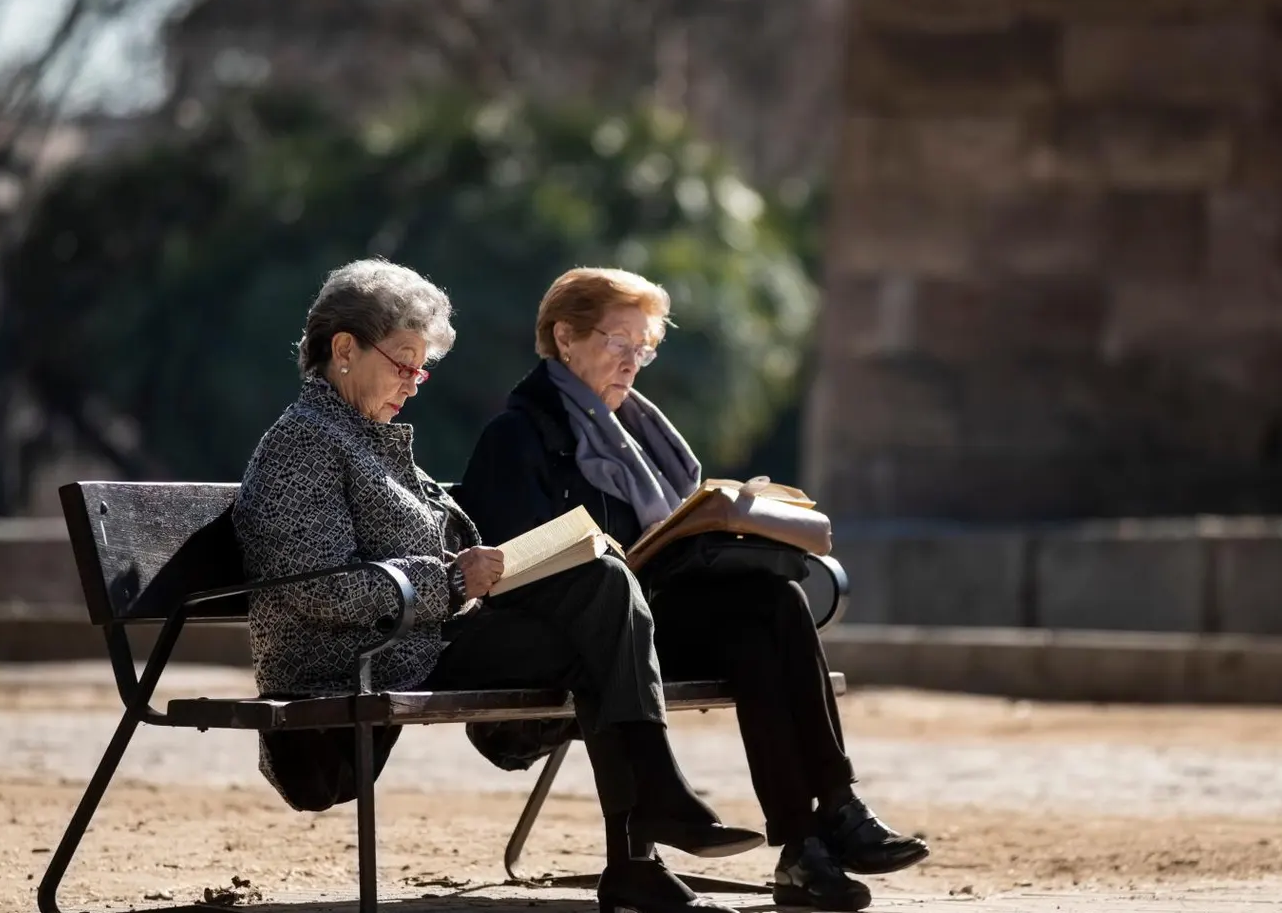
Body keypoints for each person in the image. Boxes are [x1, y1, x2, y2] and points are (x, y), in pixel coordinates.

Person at [232, 259, 760, 913]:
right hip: (360, 665)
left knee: (604, 592)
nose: (414, 384)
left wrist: (492, 565)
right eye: (404, 363)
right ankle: (656, 803)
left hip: (426, 644)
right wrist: (453, 577)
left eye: (420, 368)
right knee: (600, 589)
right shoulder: (304, 445)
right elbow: (317, 590)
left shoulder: (367, 436)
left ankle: (636, 856)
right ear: (345, 348)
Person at [458, 267, 930, 912]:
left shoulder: (641, 435)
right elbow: (512, 564)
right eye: (617, 341)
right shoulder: (516, 436)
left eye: (643, 346)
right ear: (564, 339)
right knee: (752, 625)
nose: (633, 361)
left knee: (772, 604)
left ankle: (822, 826)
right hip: (583, 639)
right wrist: (613, 558)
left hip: (650, 621)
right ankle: (813, 836)